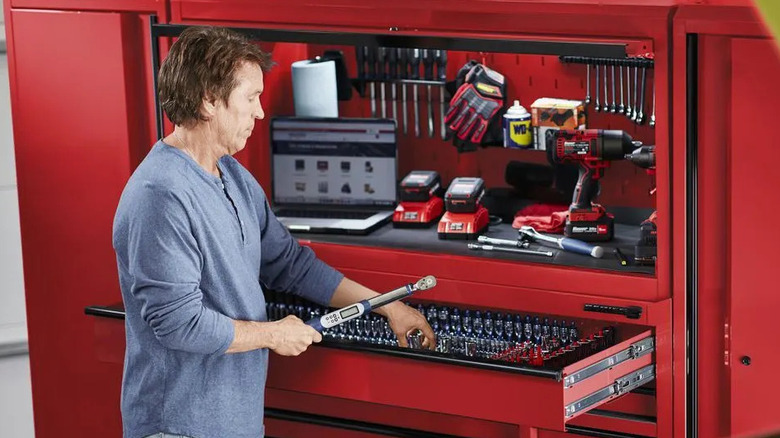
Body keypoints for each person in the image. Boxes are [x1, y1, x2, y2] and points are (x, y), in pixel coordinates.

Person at [112, 26, 435, 438]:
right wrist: (274, 334)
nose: (260, 112)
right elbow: (178, 323)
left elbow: (290, 265)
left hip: (235, 423)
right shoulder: (160, 195)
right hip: (178, 427)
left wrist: (386, 306)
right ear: (209, 100)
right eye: (251, 98)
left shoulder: (233, 176)